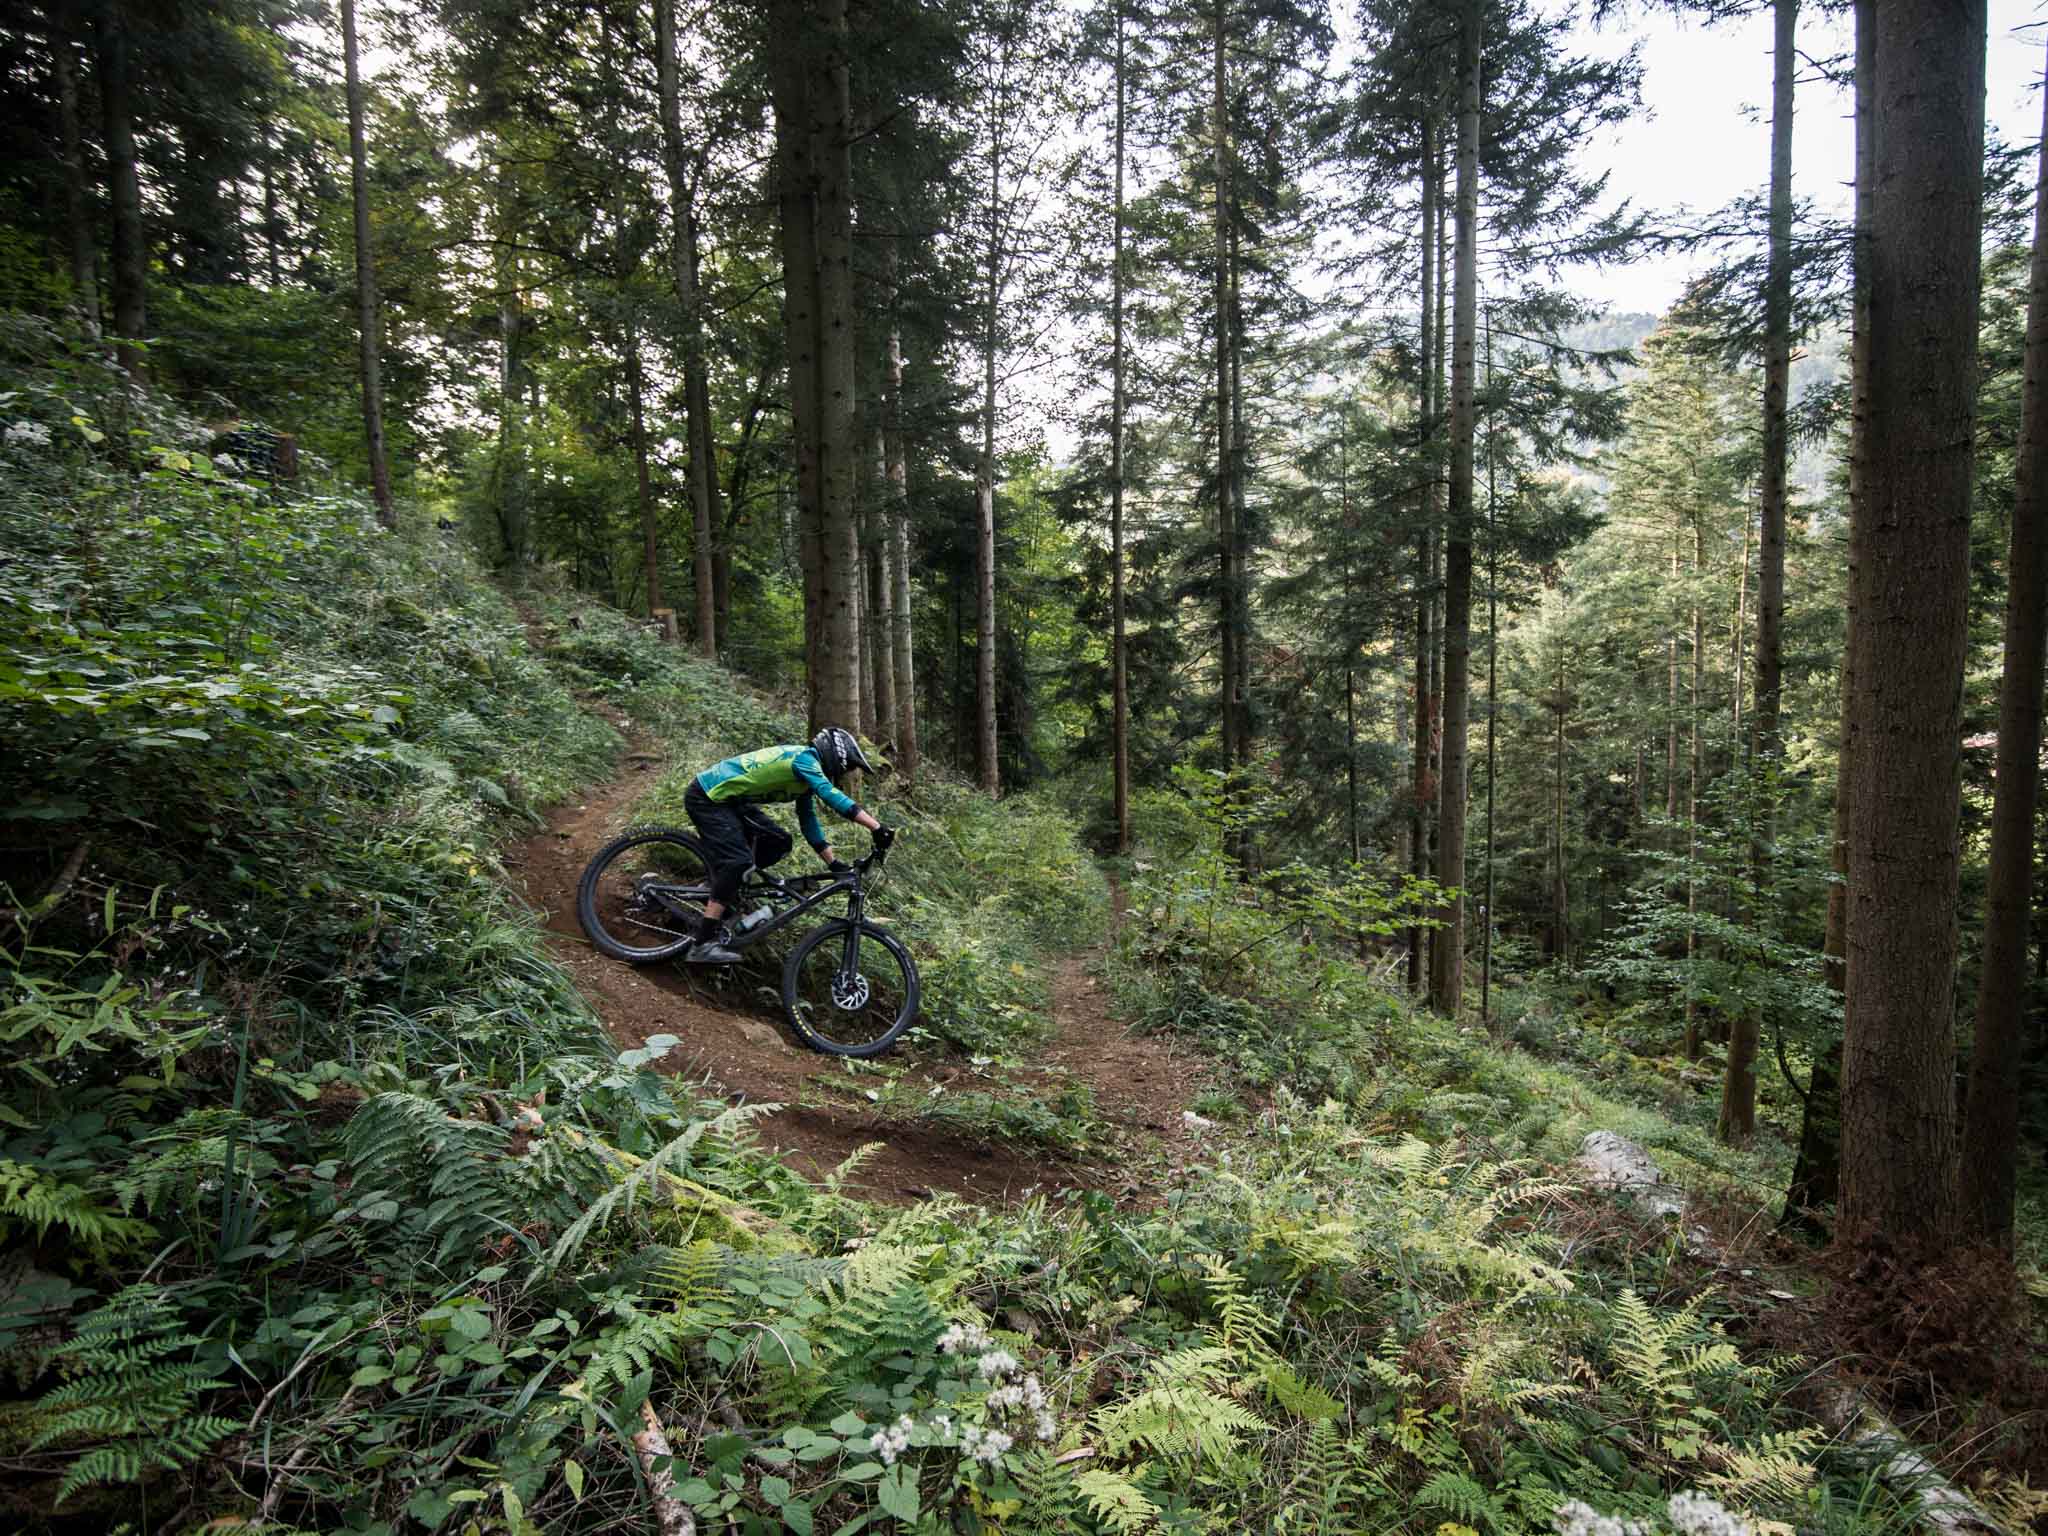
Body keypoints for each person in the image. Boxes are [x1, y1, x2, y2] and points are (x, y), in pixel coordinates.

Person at [681, 725, 895, 962]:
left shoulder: (804, 777)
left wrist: (833, 863)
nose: (842, 772)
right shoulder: (805, 758)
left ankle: (718, 887)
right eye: (845, 766)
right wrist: (876, 827)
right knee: (737, 863)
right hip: (709, 797)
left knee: (779, 841)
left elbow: (809, 822)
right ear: (835, 756)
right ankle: (701, 945)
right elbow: (830, 794)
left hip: (729, 801)